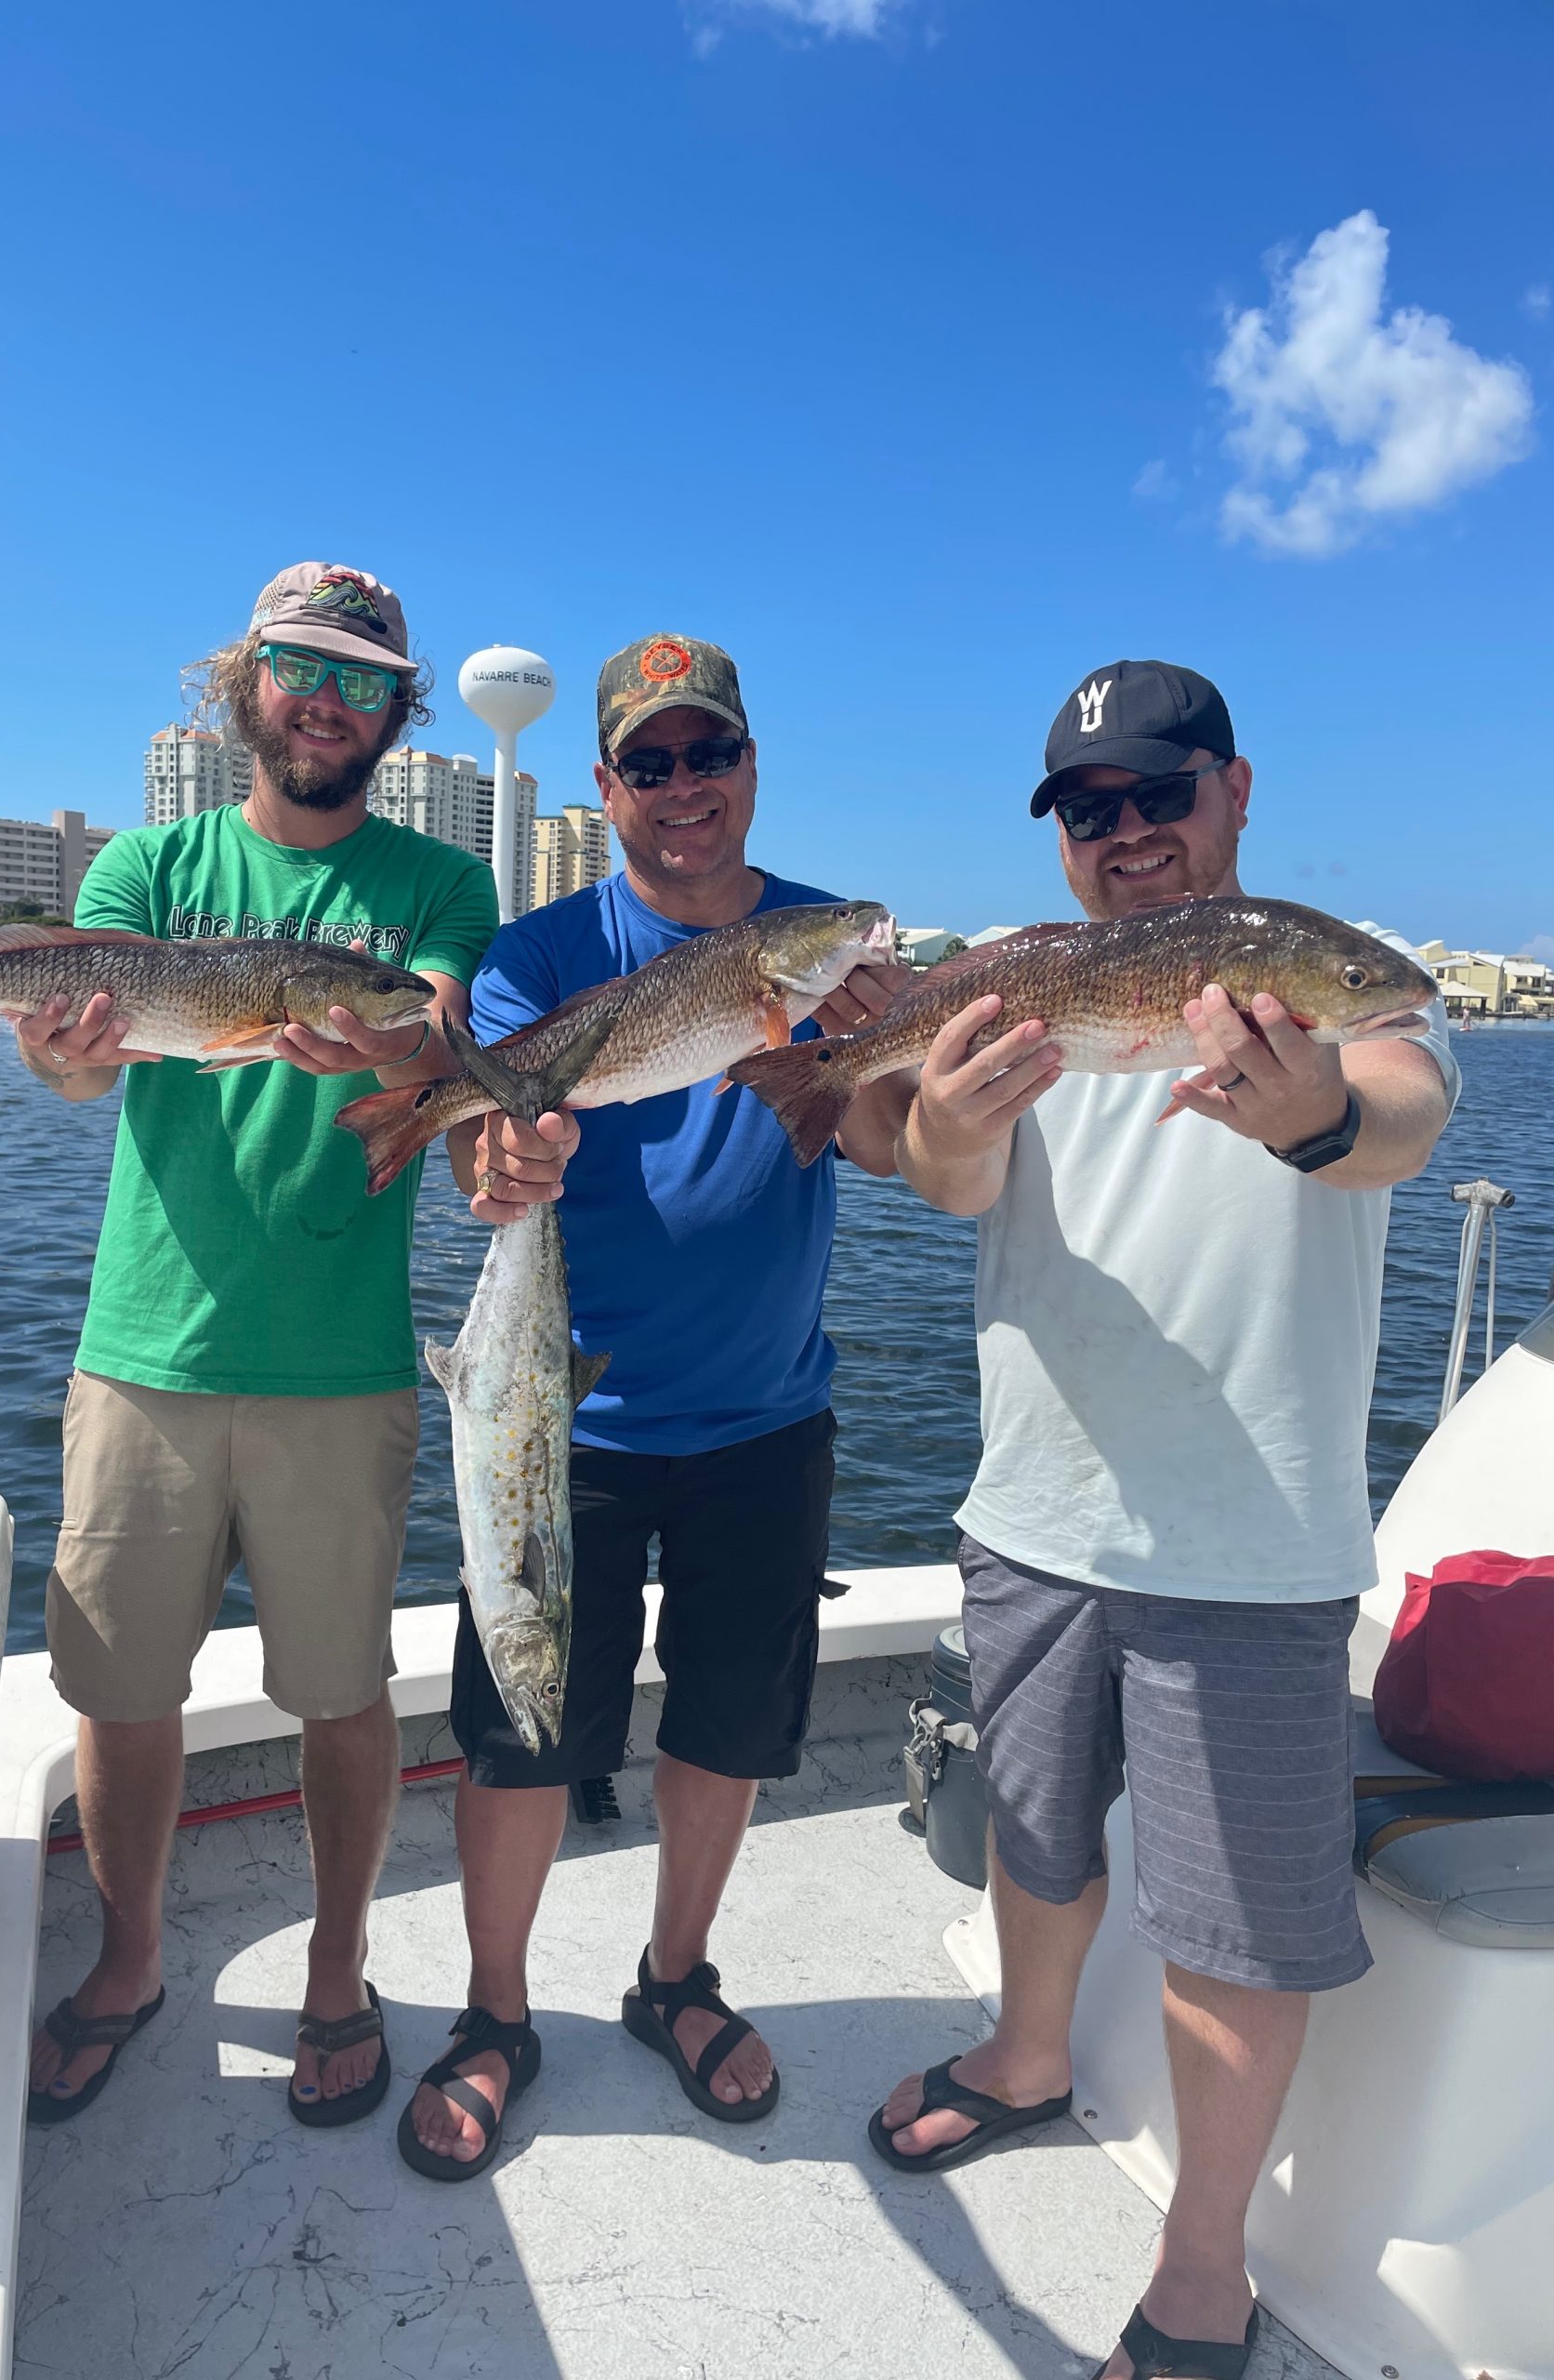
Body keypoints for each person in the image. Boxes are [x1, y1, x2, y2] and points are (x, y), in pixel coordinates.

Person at [855, 662, 1455, 2380]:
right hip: (1031, 1507)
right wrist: (946, 1131)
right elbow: (923, 1159)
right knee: (1036, 1839)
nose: (1128, 837)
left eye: (1158, 796)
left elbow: (1400, 1114)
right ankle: (1027, 2058)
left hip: (1254, 1545)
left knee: (1236, 1926)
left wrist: (1319, 1110)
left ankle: (1205, 2271)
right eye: (1089, 813)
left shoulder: (1337, 974)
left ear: (1235, 789)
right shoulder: (1005, 989)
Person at [398, 632, 906, 2179]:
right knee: (518, 1733)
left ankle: (675, 1979)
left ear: (750, 767)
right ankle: (496, 2015)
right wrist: (504, 1163)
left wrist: (875, 1047)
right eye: (654, 763)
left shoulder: (827, 942)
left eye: (713, 755)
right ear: (607, 783)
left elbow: (886, 1147)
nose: (686, 789)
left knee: (731, 1730)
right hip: (567, 1422)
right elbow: (478, 1163)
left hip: (767, 1408)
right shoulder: (542, 955)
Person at [23, 563, 499, 2129]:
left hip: (341, 1363)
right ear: (245, 685)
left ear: (399, 715)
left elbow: (434, 1035)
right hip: (138, 1350)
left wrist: (377, 1033)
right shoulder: (145, 866)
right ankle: (130, 1958)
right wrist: (66, 1054)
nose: (328, 701)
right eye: (301, 669)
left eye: (365, 682)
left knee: (343, 1689)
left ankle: (339, 1969)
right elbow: (89, 1079)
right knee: (121, 1691)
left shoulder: (438, 882)